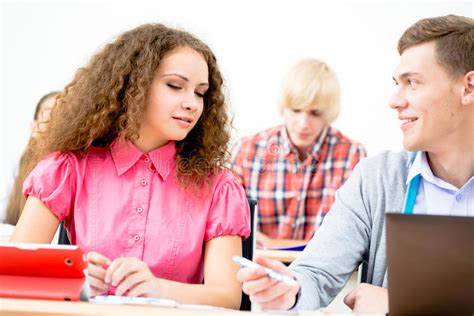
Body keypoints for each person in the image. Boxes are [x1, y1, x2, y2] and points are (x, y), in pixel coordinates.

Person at [236, 14, 473, 314]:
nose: (394, 100)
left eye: (412, 83)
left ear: (468, 87)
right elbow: (315, 274)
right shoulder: (376, 179)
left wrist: (400, 306)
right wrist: (289, 291)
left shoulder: (349, 154)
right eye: (397, 84)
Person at [9, 23, 250, 309]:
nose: (192, 104)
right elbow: (13, 275)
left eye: (200, 93)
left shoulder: (219, 187)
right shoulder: (68, 167)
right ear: (133, 86)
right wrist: (75, 279)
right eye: (175, 86)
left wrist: (158, 288)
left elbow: (227, 297)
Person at [231, 58, 366, 249]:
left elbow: (350, 234)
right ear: (283, 107)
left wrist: (273, 244)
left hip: (323, 273)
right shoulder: (247, 150)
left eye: (315, 113)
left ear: (329, 112)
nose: (303, 123)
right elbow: (232, 224)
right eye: (295, 110)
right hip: (256, 269)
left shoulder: (352, 155)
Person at [3, 91, 60, 225]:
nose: (58, 123)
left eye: (65, 116)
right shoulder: (12, 164)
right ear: (34, 127)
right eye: (50, 115)